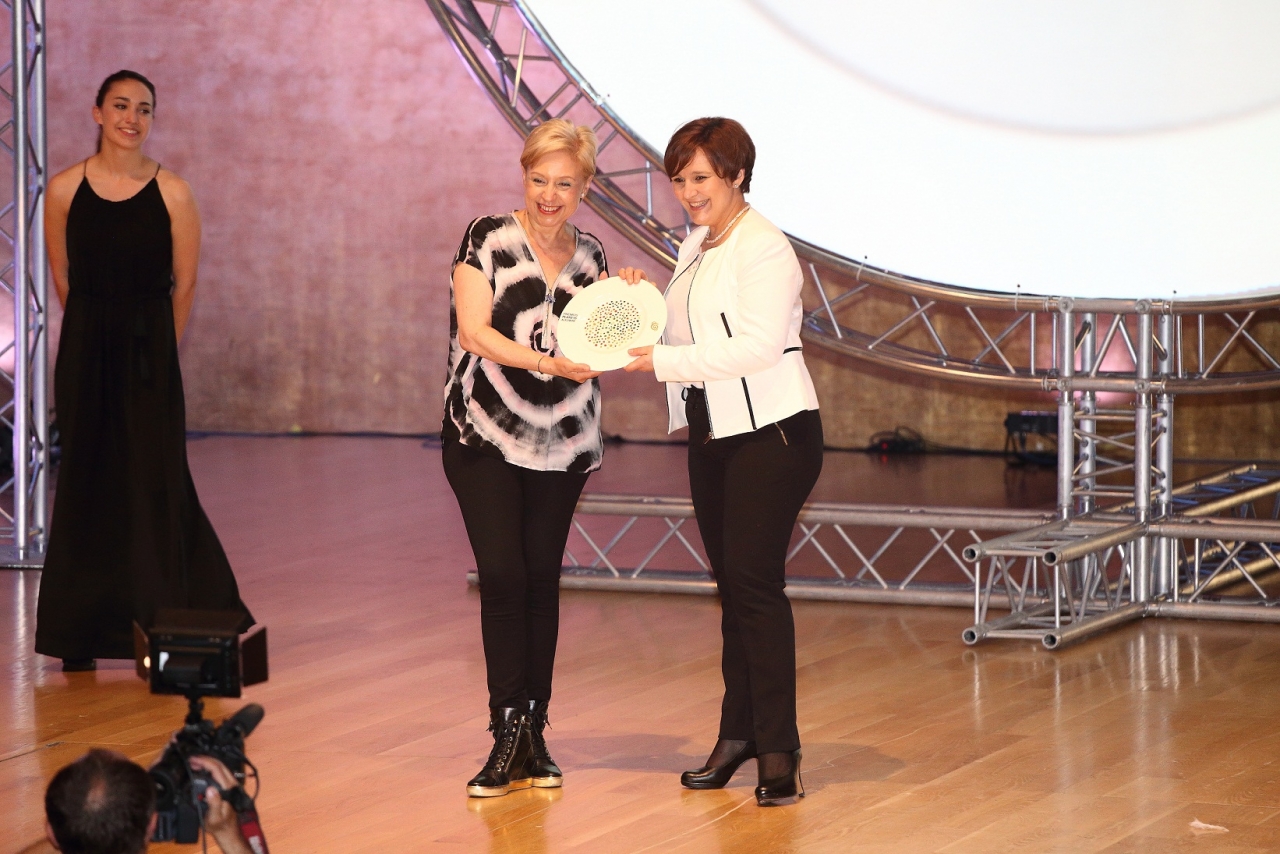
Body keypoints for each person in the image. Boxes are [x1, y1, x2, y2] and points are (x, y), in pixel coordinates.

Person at [622, 117, 822, 807]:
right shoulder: (697, 244)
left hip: (774, 433)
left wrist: (662, 360)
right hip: (714, 431)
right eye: (680, 179)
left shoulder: (764, 247)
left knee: (755, 588)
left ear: (736, 174)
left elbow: (758, 347)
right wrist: (637, 300)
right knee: (732, 590)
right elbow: (685, 331)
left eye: (701, 177)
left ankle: (779, 749)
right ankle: (738, 736)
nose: (689, 192)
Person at [35, 70, 253, 672]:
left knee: (154, 484)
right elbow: (63, 278)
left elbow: (186, 285)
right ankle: (80, 635)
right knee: (85, 482)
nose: (132, 118)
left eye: (144, 109)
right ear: (97, 112)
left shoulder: (174, 192)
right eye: (121, 105)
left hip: (149, 352)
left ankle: (165, 628)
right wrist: (95, 334)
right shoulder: (63, 190)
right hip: (85, 352)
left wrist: (156, 348)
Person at [443, 118, 607, 797]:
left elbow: (609, 339)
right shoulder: (486, 237)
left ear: (584, 187)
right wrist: (546, 362)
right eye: (539, 179)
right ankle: (505, 730)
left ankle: (534, 735)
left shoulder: (592, 255)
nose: (548, 195)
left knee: (541, 580)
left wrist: (629, 297)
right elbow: (473, 332)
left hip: (564, 442)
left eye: (564, 184)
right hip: (484, 433)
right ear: (523, 175)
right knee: (505, 576)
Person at [18, 749, 253, 854]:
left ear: (51, 833)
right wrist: (228, 833)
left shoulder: (59, 834)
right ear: (152, 824)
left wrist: (73, 831)